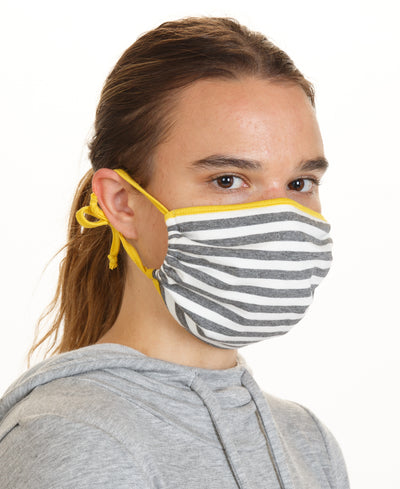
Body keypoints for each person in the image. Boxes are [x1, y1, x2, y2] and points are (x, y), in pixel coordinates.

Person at [0, 17, 349, 489]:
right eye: (228, 180)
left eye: (300, 183)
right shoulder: (73, 437)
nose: (280, 217)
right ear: (122, 203)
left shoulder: (307, 441)